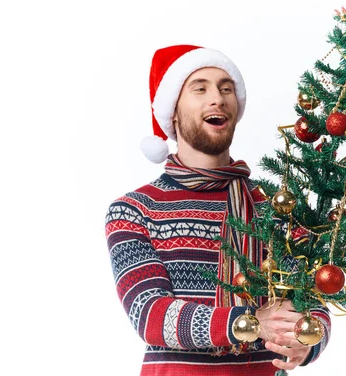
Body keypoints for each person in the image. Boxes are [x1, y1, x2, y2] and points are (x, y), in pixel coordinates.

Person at [105, 44, 330, 376]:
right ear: (174, 113)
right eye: (200, 88)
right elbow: (150, 314)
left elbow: (313, 299)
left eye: (227, 89)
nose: (218, 98)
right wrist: (251, 322)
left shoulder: (274, 206)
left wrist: (307, 341)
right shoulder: (134, 210)